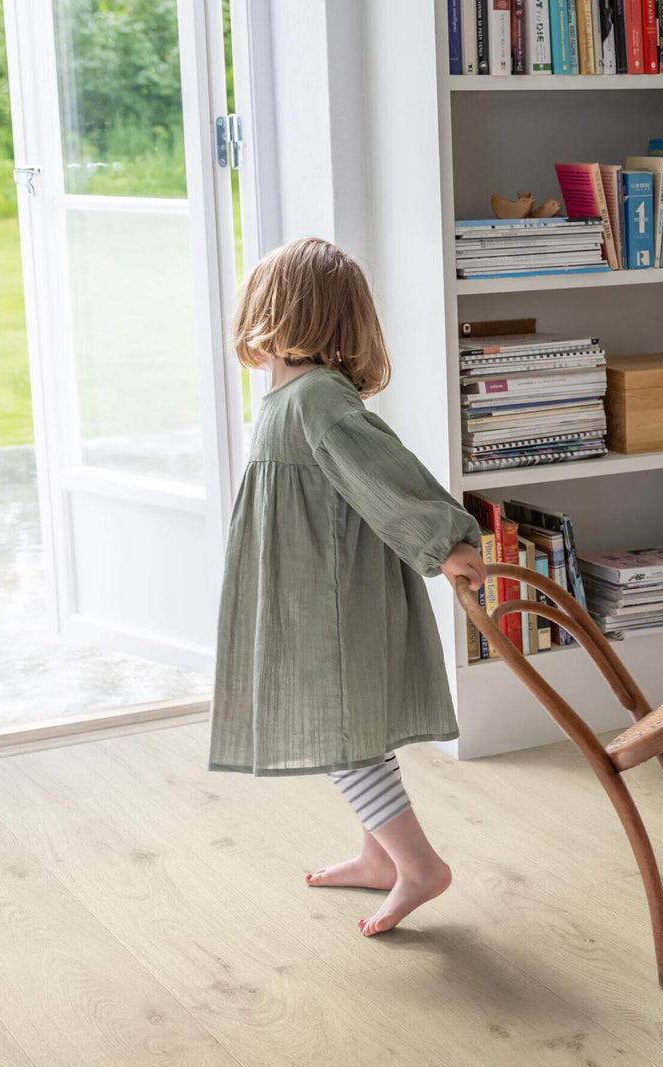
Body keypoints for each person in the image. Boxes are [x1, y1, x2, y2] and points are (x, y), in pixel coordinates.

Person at [208, 237, 486, 936]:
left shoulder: (316, 400)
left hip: (328, 596)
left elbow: (382, 473)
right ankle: (379, 856)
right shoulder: (291, 396)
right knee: (349, 722)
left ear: (271, 310)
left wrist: (444, 543)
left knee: (337, 731)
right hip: (308, 585)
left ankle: (418, 865)